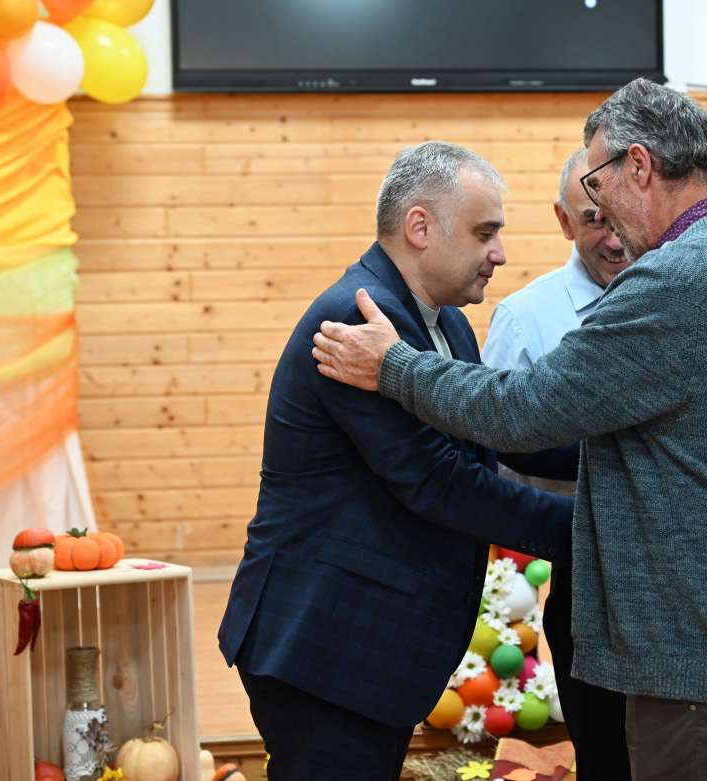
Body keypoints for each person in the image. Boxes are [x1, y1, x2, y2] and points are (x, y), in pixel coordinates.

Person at [311, 78, 707, 781]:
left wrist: (394, 366)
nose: (600, 212)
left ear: (639, 166)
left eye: (597, 181)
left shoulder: (681, 276)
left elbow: (523, 409)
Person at [218, 141, 578, 780]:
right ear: (420, 227)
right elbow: (438, 481)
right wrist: (593, 530)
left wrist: (612, 459)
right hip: (324, 647)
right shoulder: (356, 319)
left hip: (369, 651)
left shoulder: (447, 322)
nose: (499, 253)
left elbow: (489, 435)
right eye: (485, 232)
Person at [481, 148, 631, 780]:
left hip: (683, 588)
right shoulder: (525, 318)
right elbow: (493, 452)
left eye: (620, 217)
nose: (614, 237)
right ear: (564, 221)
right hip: (583, 579)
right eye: (593, 219)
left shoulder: (686, 304)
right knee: (603, 754)